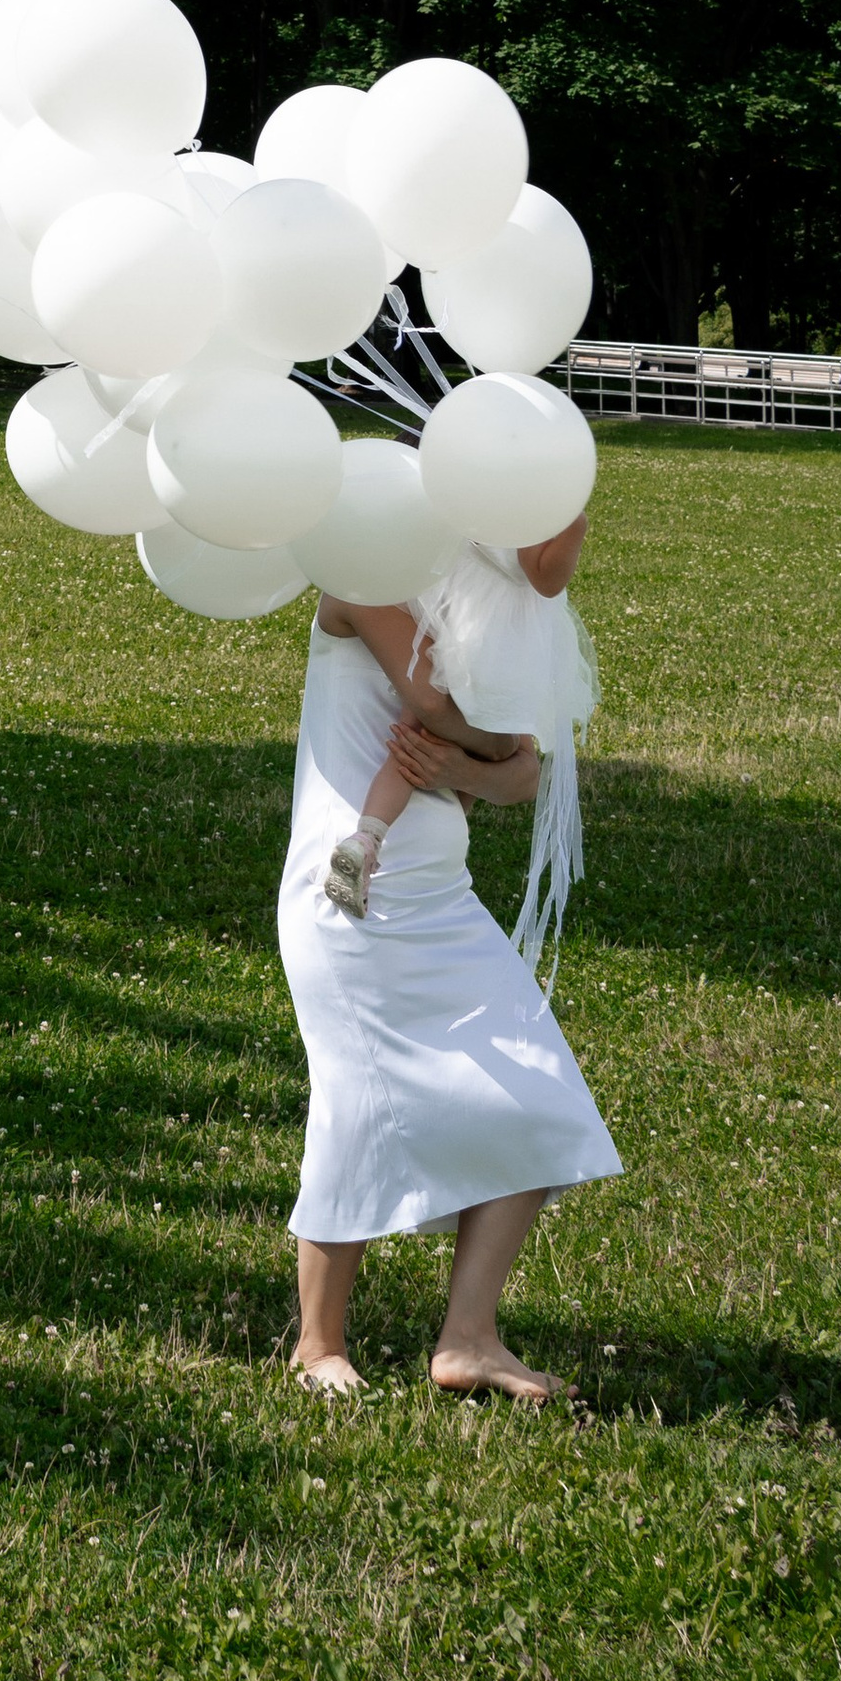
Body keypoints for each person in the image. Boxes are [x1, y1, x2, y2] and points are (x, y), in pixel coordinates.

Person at [280, 510, 621, 1402]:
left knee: (538, 1090)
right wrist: (491, 744)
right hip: (351, 892)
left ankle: (468, 1338)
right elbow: (432, 701)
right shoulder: (358, 568)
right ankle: (319, 1347)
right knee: (354, 1106)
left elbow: (526, 775)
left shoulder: (477, 605)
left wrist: (475, 765)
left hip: (438, 894)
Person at [321, 526, 597, 929]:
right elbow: (546, 578)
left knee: (414, 739)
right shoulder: (527, 511)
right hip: (483, 629)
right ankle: (391, 839)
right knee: (425, 735)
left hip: (458, 613)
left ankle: (369, 837)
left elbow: (525, 776)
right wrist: (572, 529)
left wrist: (466, 770)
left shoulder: (486, 504)